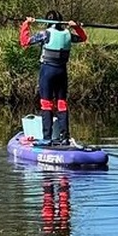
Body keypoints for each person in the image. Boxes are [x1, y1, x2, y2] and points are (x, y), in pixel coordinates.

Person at [19, 10, 88, 145]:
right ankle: (65, 137)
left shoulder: (45, 34)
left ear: (47, 21)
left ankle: (47, 138)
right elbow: (83, 38)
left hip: (47, 71)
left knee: (46, 104)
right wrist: (76, 27)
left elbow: (25, 42)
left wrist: (26, 24)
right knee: (62, 104)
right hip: (62, 72)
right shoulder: (68, 34)